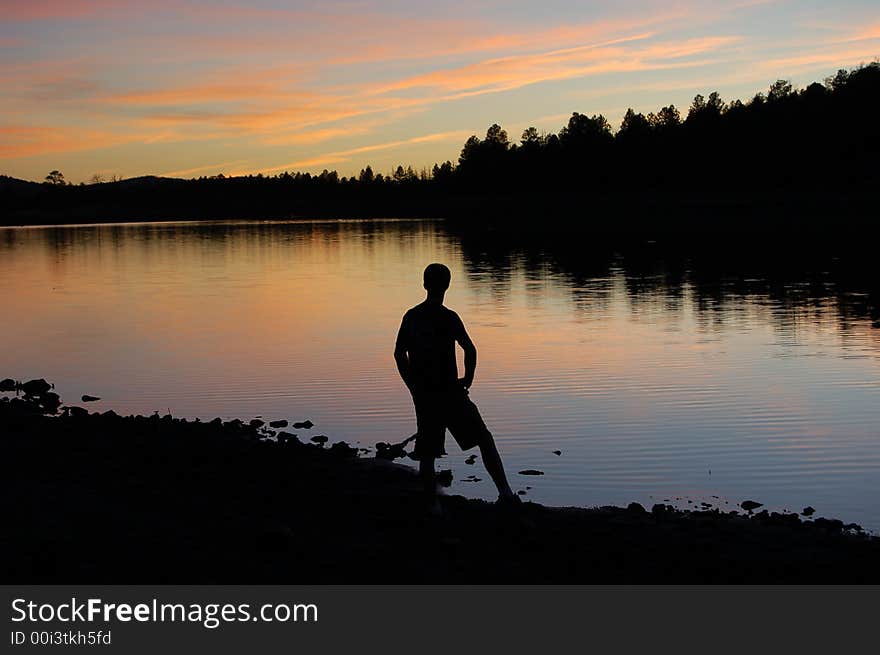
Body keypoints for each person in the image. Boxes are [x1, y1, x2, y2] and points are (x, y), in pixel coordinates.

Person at [394, 263, 518, 514]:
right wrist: (468, 378)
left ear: (425, 284)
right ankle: (505, 492)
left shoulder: (412, 316)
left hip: (426, 394)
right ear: (447, 286)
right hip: (451, 392)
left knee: (427, 453)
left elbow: (399, 354)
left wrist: (412, 386)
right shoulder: (449, 317)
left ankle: (433, 505)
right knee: (483, 438)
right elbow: (469, 349)